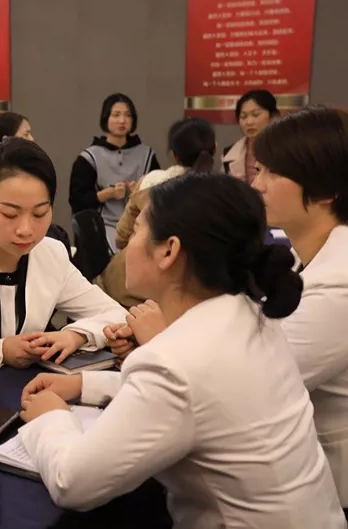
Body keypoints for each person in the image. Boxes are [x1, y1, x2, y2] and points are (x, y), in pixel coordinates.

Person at [18, 172, 346, 528]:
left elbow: (72, 484)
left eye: (137, 230)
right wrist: (85, 385)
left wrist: (51, 416)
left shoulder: (176, 361)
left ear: (168, 251)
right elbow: (202, 396)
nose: (127, 244)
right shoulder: (248, 314)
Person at [0, 138, 126, 370]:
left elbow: (115, 313)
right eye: (10, 214)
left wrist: (76, 335)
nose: (26, 230)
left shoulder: (51, 255)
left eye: (39, 213)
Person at [252, 106, 348, 515]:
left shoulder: (339, 283)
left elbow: (250, 384)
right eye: (259, 169)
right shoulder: (300, 259)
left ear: (325, 190)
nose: (257, 184)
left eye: (273, 173)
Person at [95, 117, 217, 306]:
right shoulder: (222, 195)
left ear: (174, 155)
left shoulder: (150, 183)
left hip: (125, 292)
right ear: (214, 148)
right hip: (188, 296)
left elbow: (121, 238)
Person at [69, 93, 160, 252]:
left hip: (140, 225)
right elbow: (77, 201)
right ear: (105, 119)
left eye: (127, 115)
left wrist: (139, 191)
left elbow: (160, 194)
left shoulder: (147, 155)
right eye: (116, 115)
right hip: (103, 226)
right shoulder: (89, 157)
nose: (122, 120)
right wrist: (106, 194)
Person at [222, 89, 279, 184]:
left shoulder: (288, 148)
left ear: (272, 116)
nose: (249, 122)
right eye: (243, 116)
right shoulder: (229, 154)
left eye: (256, 115)